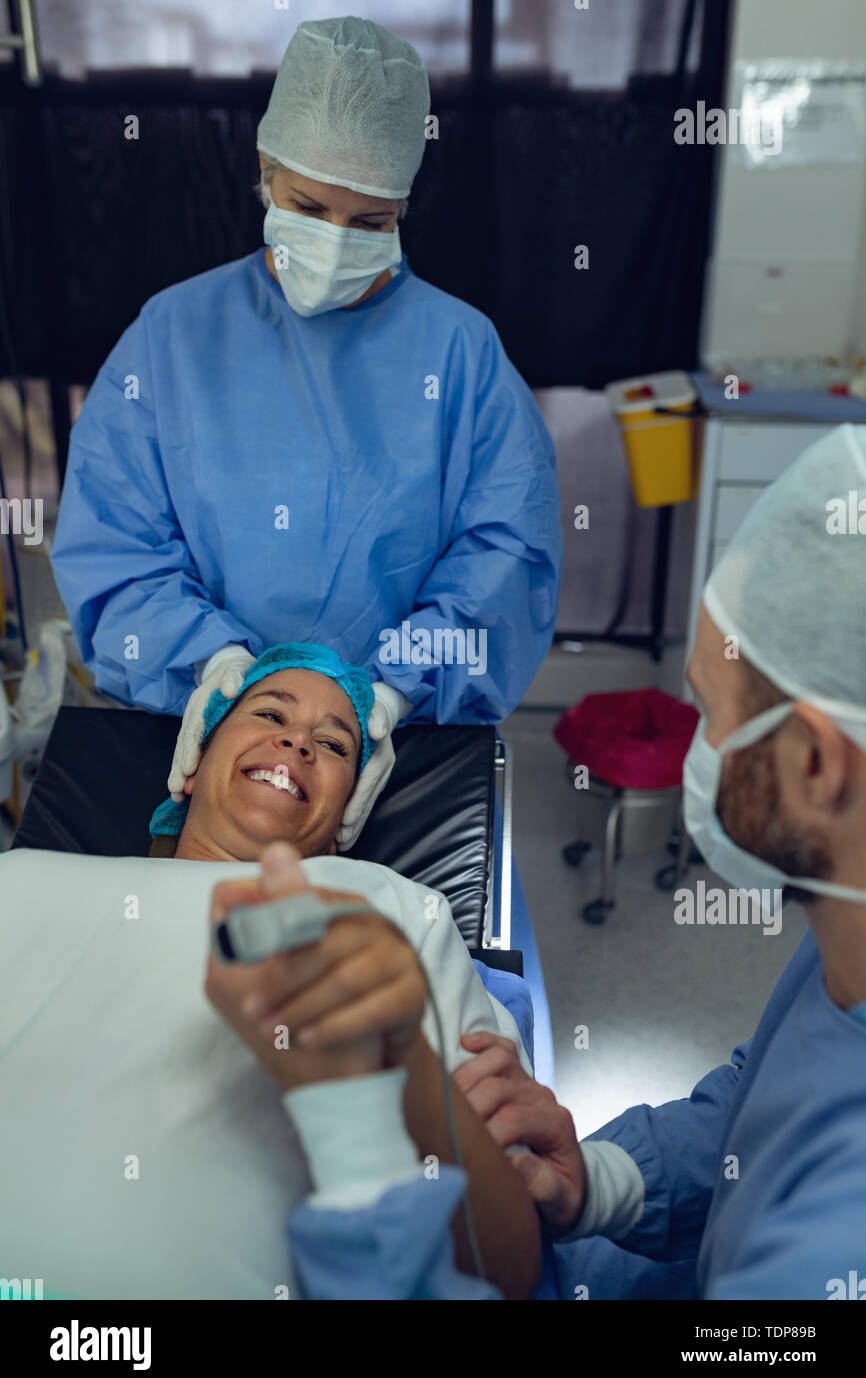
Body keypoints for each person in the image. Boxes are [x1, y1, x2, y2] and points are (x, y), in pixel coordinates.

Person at [273, 424, 866, 1299]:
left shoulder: (827, 1257)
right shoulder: (842, 938)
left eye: (708, 714)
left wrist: (352, 1127)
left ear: (817, 764)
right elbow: (763, 1102)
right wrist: (607, 1182)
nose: (690, 746)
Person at [49, 15, 563, 855]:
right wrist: (211, 670)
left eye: (368, 224)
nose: (332, 241)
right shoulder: (175, 336)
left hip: (392, 738)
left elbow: (506, 557)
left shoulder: (460, 354)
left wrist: (393, 694)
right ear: (264, 172)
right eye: (310, 206)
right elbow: (115, 545)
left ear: (404, 210)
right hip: (209, 721)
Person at [0, 644, 539, 1299]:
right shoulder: (19, 881)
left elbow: (506, 1265)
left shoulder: (392, 906)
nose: (297, 741)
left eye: (336, 746)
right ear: (193, 763)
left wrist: (401, 1065)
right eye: (267, 713)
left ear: (347, 819)